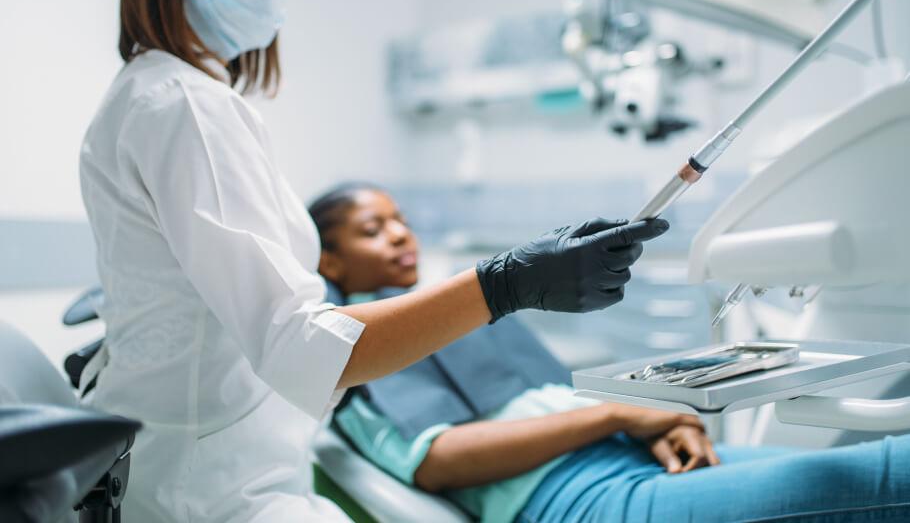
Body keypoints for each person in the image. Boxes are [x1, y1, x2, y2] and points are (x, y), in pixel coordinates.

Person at [77, 0, 669, 521]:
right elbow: (300, 346)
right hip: (204, 491)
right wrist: (506, 284)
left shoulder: (173, 97)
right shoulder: (183, 104)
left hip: (214, 471)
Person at [312, 184, 910, 523]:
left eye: (401, 221)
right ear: (328, 263)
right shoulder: (353, 351)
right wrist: (622, 413)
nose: (399, 235)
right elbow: (434, 459)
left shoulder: (463, 312)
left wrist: (652, 428)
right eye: (372, 229)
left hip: (635, 459)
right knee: (882, 476)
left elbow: (547, 399)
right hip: (575, 498)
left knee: (881, 473)